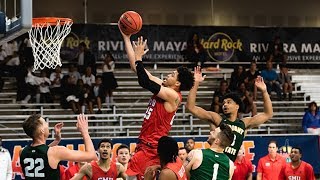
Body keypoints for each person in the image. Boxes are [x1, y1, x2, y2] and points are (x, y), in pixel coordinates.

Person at [120, 29, 194, 180]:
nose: (168, 75)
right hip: (146, 144)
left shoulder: (173, 96)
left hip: (152, 149)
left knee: (129, 178)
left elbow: (144, 82)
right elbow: (136, 68)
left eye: (173, 75)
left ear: (178, 83)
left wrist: (140, 57)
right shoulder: (165, 89)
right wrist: (126, 38)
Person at [186, 66, 273, 161]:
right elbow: (191, 107)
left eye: (228, 102)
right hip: (214, 161)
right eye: (223, 103)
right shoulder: (217, 119)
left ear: (237, 106)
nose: (225, 105)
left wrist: (264, 91)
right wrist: (196, 82)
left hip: (228, 166)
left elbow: (268, 114)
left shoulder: (244, 123)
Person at [20, 114, 97, 179]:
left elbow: (40, 152)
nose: (47, 125)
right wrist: (84, 131)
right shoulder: (56, 152)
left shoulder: (22, 151)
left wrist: (57, 140)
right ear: (42, 130)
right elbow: (91, 156)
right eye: (45, 123)